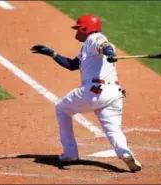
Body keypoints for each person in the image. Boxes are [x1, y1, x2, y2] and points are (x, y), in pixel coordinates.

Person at [30, 14, 142, 172]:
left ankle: (70, 154)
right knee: (113, 130)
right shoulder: (87, 47)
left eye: (78, 29)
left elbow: (103, 44)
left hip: (95, 92)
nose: (76, 32)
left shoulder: (95, 38)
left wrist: (108, 51)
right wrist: (52, 54)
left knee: (62, 109)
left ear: (85, 29)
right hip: (113, 94)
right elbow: (72, 65)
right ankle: (125, 153)